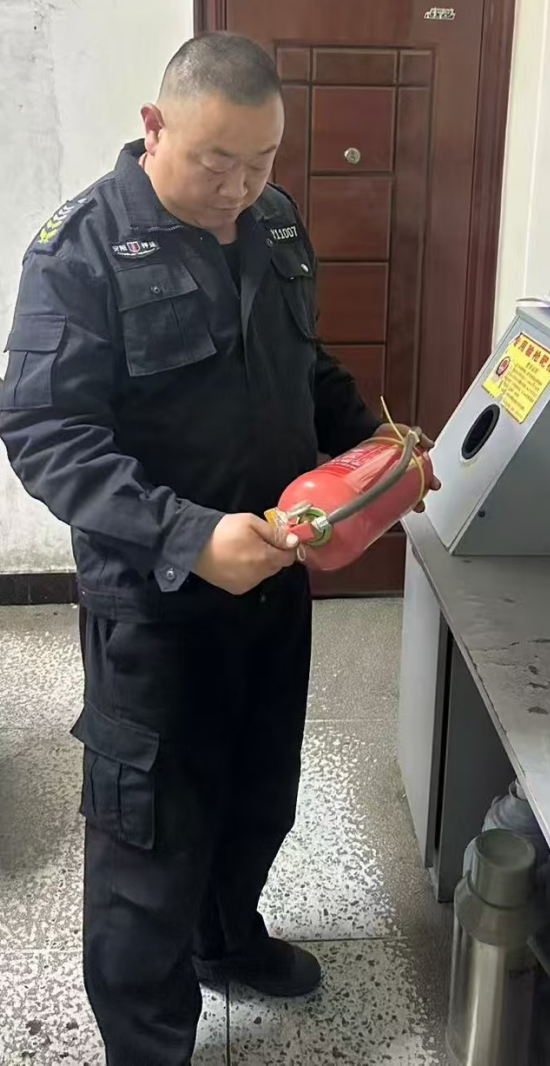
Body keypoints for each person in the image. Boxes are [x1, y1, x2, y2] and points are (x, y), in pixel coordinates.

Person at [0, 33, 437, 1066]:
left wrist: (374, 449)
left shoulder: (273, 222)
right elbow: (46, 432)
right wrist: (189, 536)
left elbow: (302, 368)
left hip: (275, 583)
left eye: (263, 159)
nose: (240, 187)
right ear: (154, 128)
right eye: (216, 161)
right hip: (157, 607)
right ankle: (148, 1043)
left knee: (257, 793)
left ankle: (226, 938)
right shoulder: (80, 251)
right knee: (149, 841)